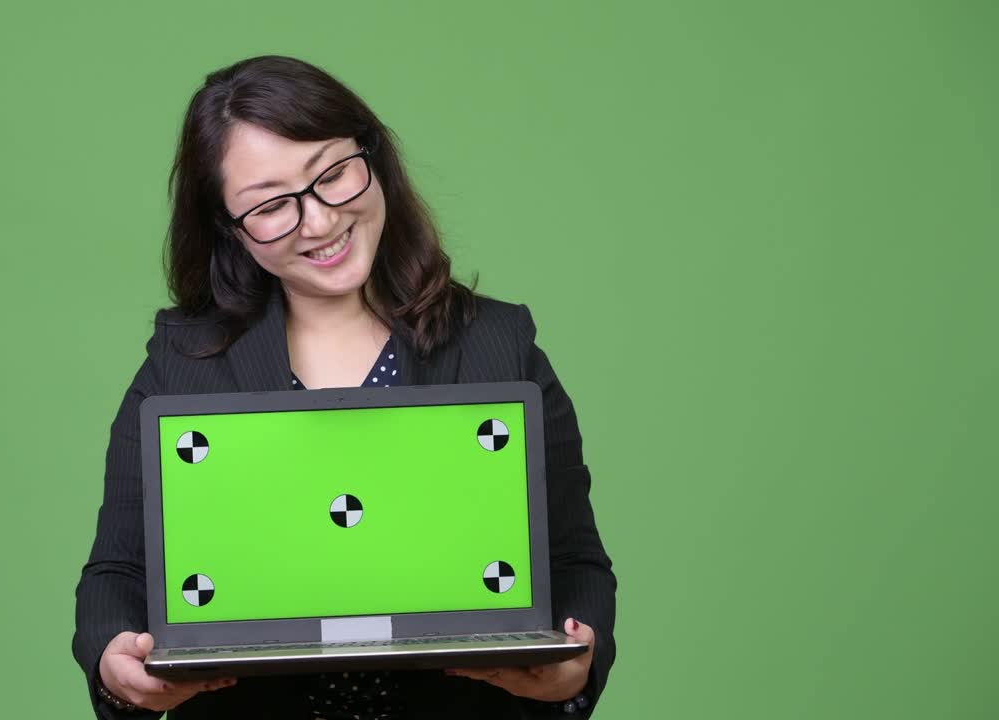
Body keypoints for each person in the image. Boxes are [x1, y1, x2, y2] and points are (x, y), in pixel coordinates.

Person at [72, 55, 617, 719]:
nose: (321, 221)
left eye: (332, 173)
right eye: (272, 205)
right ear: (228, 226)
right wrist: (113, 661)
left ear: (374, 156)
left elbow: (574, 562)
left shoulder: (497, 346)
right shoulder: (184, 361)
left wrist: (573, 673)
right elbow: (117, 575)